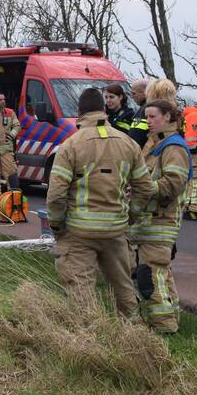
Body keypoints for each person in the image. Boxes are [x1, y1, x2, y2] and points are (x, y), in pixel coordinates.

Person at [46, 88, 157, 318]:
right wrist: (131, 216)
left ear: (79, 112)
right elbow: (144, 188)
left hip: (79, 232)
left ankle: (88, 337)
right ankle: (133, 333)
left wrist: (57, 225)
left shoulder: (70, 145)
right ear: (104, 109)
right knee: (123, 286)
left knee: (80, 289)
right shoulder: (128, 143)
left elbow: (56, 194)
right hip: (116, 231)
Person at [128, 100, 192, 333]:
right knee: (161, 274)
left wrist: (143, 188)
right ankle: (171, 319)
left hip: (160, 220)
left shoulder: (173, 147)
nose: (148, 122)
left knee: (150, 275)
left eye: (153, 116)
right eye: (146, 117)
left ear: (167, 117)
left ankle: (163, 327)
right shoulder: (157, 144)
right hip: (149, 220)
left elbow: (173, 183)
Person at [127, 78, 151, 148]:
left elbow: (136, 135)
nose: (132, 97)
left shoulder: (146, 110)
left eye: (134, 94)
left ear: (145, 93)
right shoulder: (146, 108)